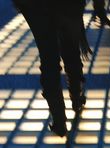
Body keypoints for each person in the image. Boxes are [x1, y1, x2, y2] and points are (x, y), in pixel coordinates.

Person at [12, 0, 91, 137]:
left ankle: (59, 119)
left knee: (48, 56)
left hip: (35, 6)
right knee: (71, 47)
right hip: (68, 5)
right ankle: (76, 95)